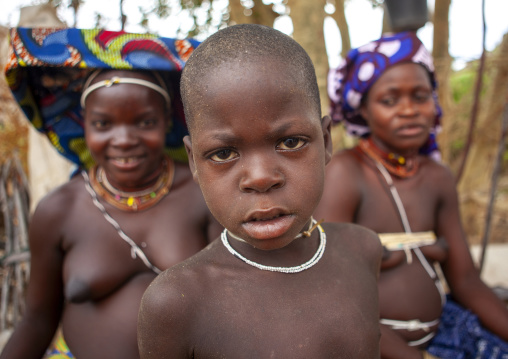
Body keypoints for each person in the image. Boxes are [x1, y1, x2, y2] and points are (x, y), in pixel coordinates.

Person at [137, 24, 383, 358]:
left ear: (325, 142)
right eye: (223, 153)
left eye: (290, 142)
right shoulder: (175, 302)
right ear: (194, 161)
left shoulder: (363, 249)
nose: (261, 177)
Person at [1, 28, 221, 359]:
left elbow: (234, 302)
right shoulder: (59, 210)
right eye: (103, 125)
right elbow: (36, 320)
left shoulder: (202, 194)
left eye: (144, 122)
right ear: (83, 124)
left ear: (166, 121)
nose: (123, 140)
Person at [314, 31, 508, 359]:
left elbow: (466, 282)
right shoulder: (345, 173)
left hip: (443, 335)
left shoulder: (437, 178)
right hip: (369, 348)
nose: (409, 110)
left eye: (420, 96)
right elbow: (330, 297)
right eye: (390, 100)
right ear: (363, 109)